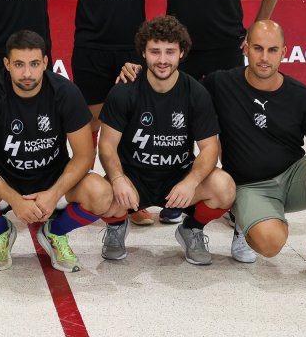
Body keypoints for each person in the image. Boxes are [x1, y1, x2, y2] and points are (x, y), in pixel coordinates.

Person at [85, 0, 282, 224]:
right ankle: (157, 195)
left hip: (225, 46)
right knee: (162, 123)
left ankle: (229, 200)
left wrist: (258, 28)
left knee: (228, 126)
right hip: (175, 51)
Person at [202, 20, 306, 288]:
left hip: (292, 178)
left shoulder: (303, 96)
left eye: (272, 50)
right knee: (271, 243)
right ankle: (246, 223)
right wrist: (135, 74)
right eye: (258, 48)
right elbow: (177, 90)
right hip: (250, 186)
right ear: (246, 48)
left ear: (283, 52)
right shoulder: (220, 83)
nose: (265, 57)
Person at [52, 0, 160, 227]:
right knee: (89, 124)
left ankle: (132, 197)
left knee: (132, 125)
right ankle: (80, 189)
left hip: (132, 49)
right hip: (91, 47)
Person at [0, 30, 112, 272]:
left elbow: (84, 156)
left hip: (52, 179)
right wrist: (15, 200)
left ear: (45, 62)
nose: (27, 73)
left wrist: (53, 194)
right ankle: (1, 232)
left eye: (34, 64)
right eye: (19, 64)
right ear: (7, 64)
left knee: (101, 193)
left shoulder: (65, 92)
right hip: (2, 182)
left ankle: (55, 232)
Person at [97, 16, 235, 266]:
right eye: (155, 51)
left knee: (224, 187)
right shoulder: (125, 90)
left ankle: (192, 229)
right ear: (143, 52)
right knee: (98, 194)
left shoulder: (196, 93)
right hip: (133, 177)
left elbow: (210, 148)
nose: (162, 60)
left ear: (182, 52)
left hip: (178, 177)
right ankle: (116, 227)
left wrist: (191, 182)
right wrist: (117, 179)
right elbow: (106, 144)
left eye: (170, 51)